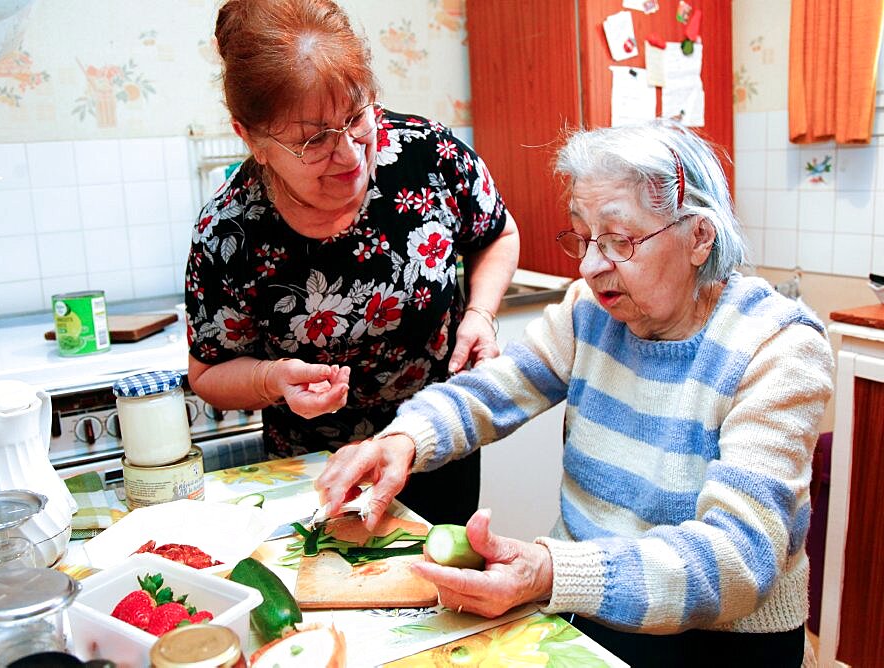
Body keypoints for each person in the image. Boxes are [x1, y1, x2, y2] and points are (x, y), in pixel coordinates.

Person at [315, 119, 834, 667]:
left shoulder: (778, 349)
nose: (589, 267)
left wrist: (551, 571)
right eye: (583, 237)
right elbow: (495, 388)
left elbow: (735, 560)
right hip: (588, 608)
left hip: (720, 640)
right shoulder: (592, 311)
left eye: (618, 240)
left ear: (699, 237)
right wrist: (404, 440)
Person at [185, 0, 520, 526]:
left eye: (356, 117)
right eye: (313, 140)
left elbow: (498, 233)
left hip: (433, 447)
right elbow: (209, 373)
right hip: (315, 473)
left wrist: (479, 313)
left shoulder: (428, 157)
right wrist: (274, 379)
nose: (348, 155)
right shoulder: (230, 231)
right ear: (251, 139)